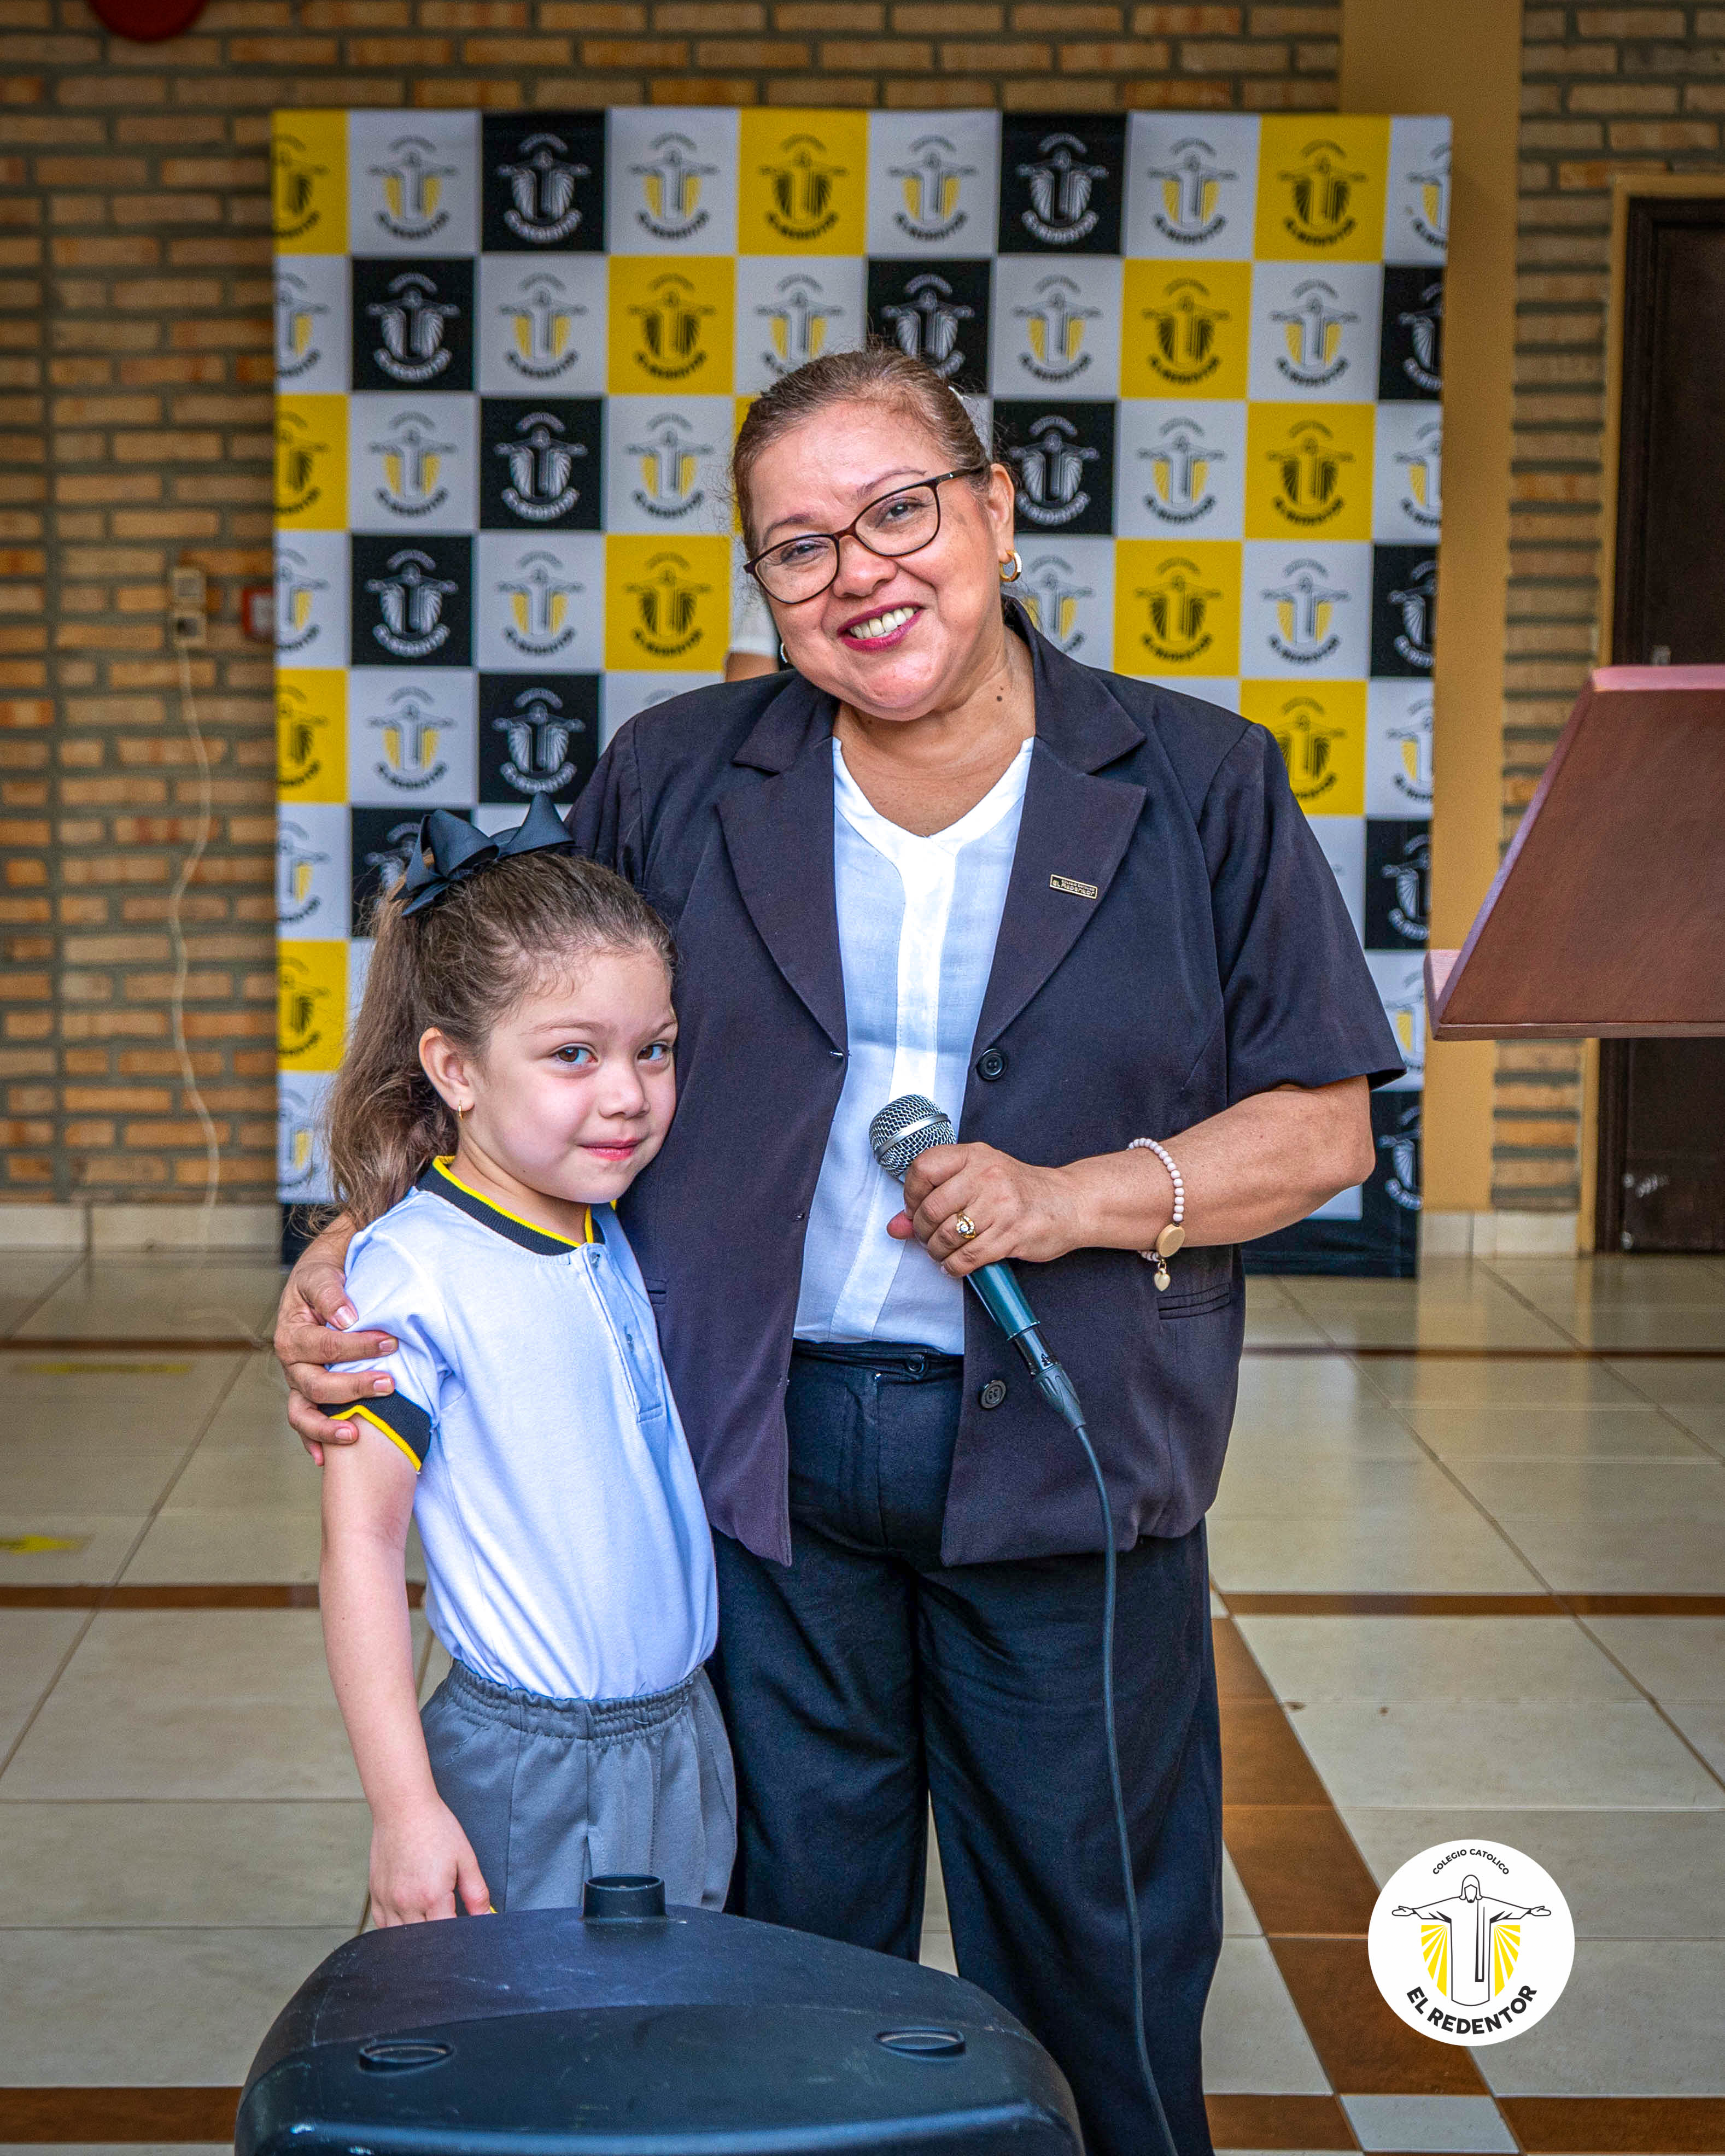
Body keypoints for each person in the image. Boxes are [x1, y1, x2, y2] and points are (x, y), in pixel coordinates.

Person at [277, 346, 1400, 2156]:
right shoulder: (677, 772)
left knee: (1098, 1955)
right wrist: (347, 1239)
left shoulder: (1196, 783)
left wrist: (1065, 1197)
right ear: (765, 591)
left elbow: (1322, 1123)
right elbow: (499, 1030)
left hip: (1070, 1467)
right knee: (790, 1954)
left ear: (996, 509)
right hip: (759, 1473)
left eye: (899, 509)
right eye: (797, 548)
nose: (859, 571)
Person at [314, 798, 734, 1926]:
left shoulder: (604, 1218)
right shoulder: (412, 1274)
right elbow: (358, 1545)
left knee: (654, 2061)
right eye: (572, 1055)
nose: (627, 1094)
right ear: (453, 1067)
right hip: (531, 1759)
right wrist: (406, 1809)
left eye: (654, 1049)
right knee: (527, 2070)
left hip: (680, 1734)